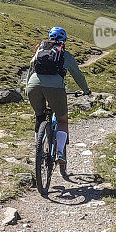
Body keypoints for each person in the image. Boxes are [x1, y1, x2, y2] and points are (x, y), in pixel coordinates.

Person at [25, 26, 90, 165]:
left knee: (39, 116)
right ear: (64, 40)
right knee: (62, 121)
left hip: (33, 86)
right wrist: (86, 90)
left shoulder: (39, 51)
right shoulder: (65, 55)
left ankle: (39, 150)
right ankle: (60, 152)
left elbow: (31, 69)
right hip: (55, 87)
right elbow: (77, 75)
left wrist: (27, 89)